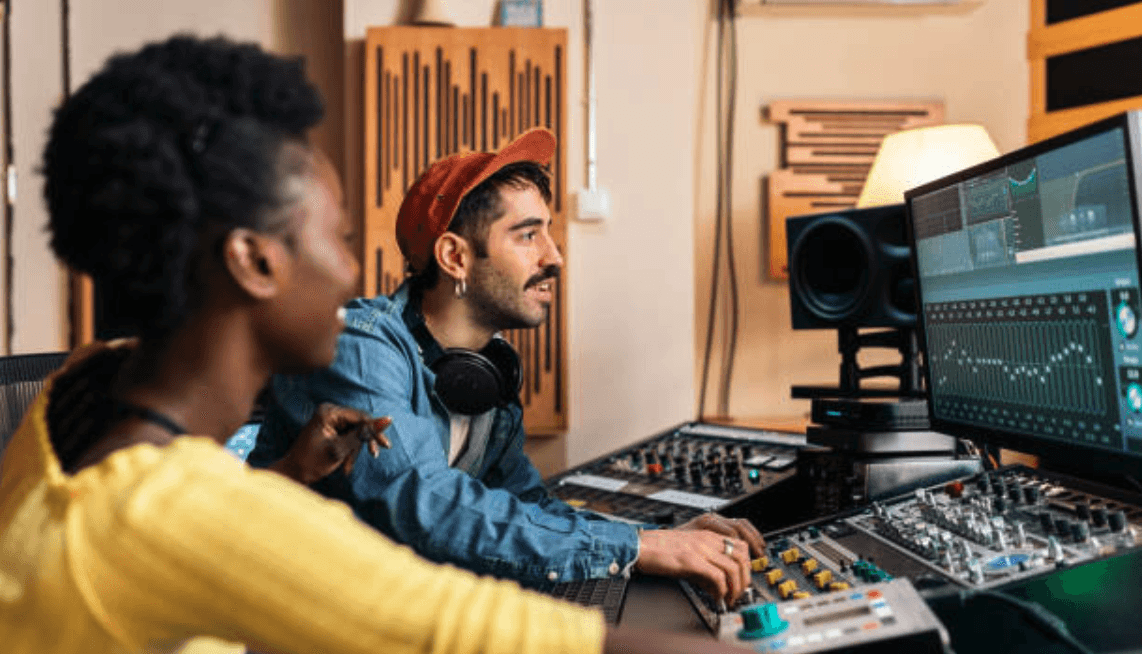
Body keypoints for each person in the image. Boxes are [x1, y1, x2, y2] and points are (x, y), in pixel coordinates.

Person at [0, 34, 748, 654]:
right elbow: (456, 618)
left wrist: (287, 475)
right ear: (254, 260)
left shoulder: (75, 410)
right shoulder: (185, 508)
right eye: (339, 238)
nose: (353, 274)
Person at [249, 126, 766, 602]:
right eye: (528, 235)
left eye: (549, 233)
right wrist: (638, 548)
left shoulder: (484, 377)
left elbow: (527, 505)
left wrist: (654, 539)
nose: (555, 257)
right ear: (455, 258)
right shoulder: (364, 348)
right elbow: (428, 506)